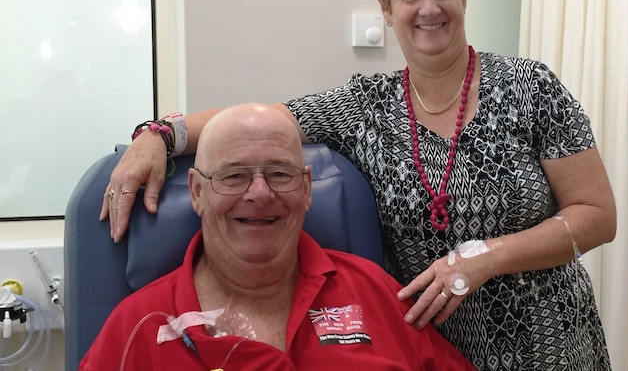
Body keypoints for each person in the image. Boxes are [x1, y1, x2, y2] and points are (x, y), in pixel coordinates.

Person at [103, 0, 617, 370]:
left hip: (551, 343)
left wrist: (483, 257)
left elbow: (597, 214)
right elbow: (261, 123)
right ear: (387, 9)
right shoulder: (367, 106)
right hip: (426, 344)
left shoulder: (530, 89)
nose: (429, 9)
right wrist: (160, 135)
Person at [83, 103, 477, 370]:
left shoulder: (377, 293)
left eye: (280, 174)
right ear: (197, 192)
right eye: (234, 176)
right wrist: (157, 134)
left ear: (306, 189)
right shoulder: (136, 328)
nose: (259, 193)